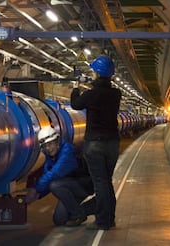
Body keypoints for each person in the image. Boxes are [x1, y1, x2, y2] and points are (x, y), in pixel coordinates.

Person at [70, 55, 122, 230]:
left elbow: (76, 105)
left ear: (97, 73)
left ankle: (103, 221)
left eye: (93, 71)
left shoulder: (91, 94)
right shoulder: (116, 94)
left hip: (95, 144)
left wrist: (75, 88)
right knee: (107, 182)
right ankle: (110, 218)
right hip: (112, 143)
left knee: (100, 183)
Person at [25, 126, 95, 226]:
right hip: (70, 188)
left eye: (50, 144)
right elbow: (48, 177)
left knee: (55, 185)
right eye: (45, 146)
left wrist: (35, 189)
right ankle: (93, 206)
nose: (48, 148)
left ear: (57, 141)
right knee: (60, 220)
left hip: (84, 185)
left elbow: (54, 173)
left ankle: (79, 214)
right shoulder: (51, 157)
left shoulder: (67, 151)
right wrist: (39, 195)